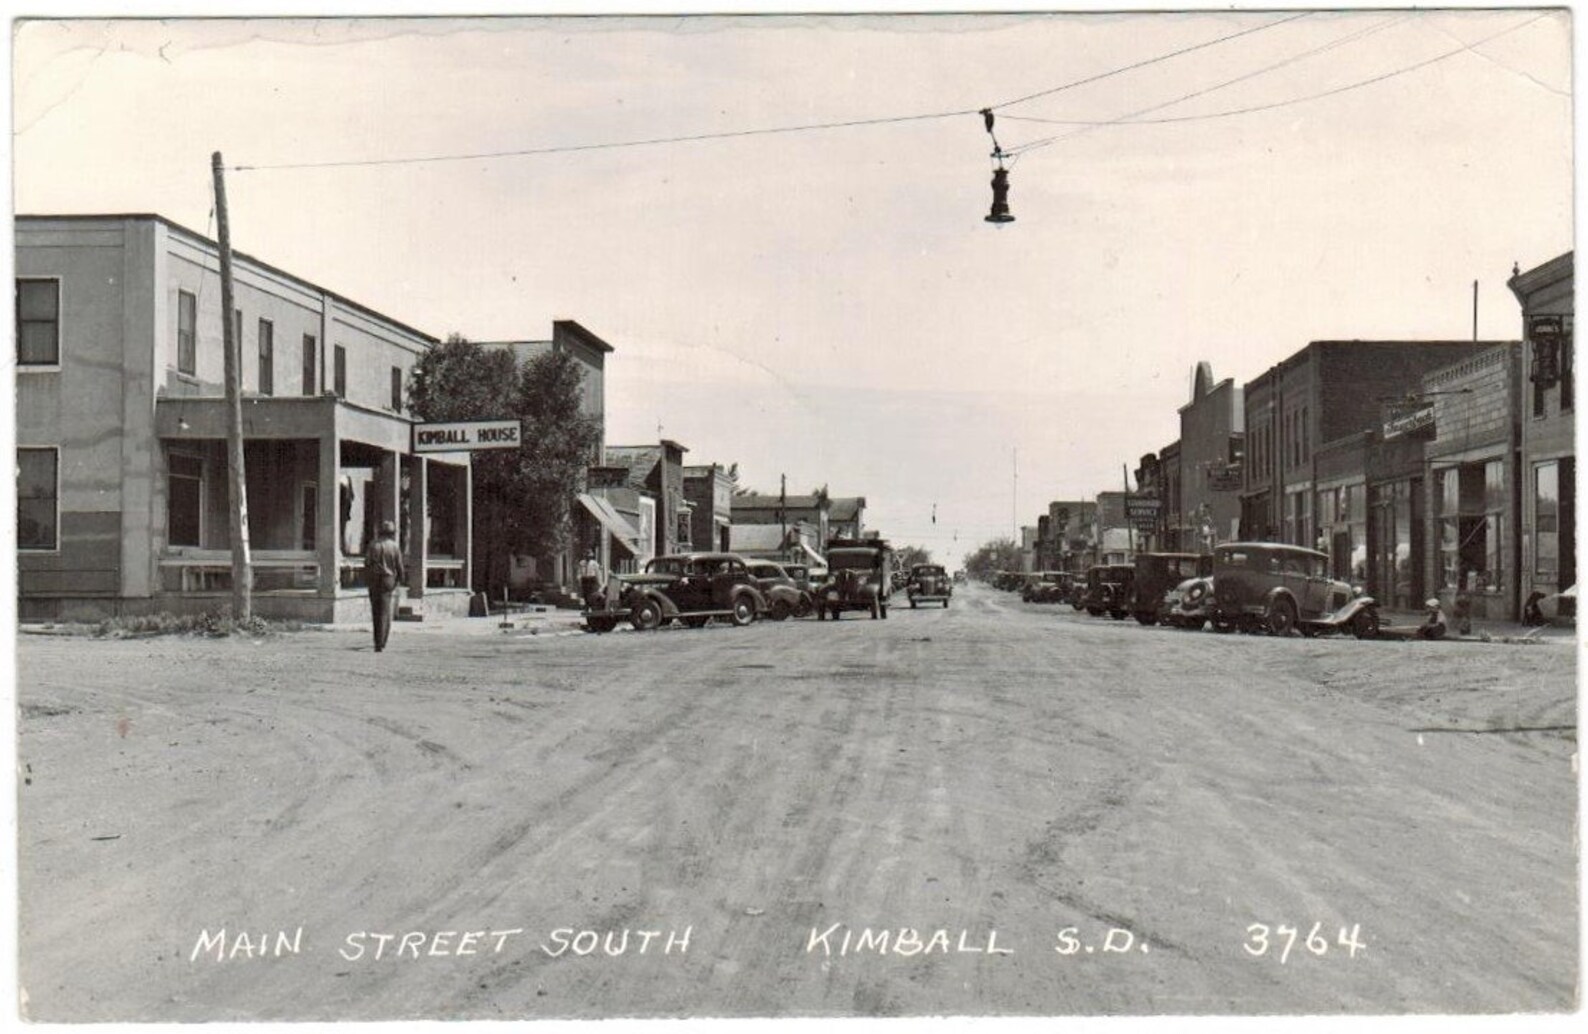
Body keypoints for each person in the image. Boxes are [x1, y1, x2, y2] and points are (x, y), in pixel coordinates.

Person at [364, 519, 406, 652]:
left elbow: (367, 563)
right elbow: (399, 566)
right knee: (385, 611)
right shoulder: (394, 547)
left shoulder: (373, 545)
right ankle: (383, 641)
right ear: (392, 533)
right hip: (388, 580)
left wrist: (368, 579)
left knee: (375, 611)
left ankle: (377, 641)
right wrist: (400, 580)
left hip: (374, 579)